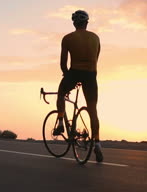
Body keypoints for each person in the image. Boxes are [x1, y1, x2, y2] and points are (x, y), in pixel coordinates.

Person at [53, 10, 103, 162]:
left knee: (60, 93)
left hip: (74, 73)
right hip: (91, 75)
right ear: (87, 23)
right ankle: (98, 144)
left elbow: (63, 64)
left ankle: (61, 122)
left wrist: (67, 76)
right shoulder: (96, 37)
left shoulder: (68, 38)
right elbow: (96, 58)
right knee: (93, 110)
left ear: (74, 23)